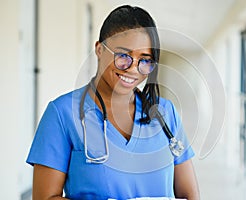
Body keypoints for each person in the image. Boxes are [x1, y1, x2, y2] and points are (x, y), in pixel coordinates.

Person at [26, 5, 200, 200]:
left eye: (145, 60)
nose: (133, 69)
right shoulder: (63, 113)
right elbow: (44, 197)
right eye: (123, 56)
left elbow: (189, 194)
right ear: (99, 49)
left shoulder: (165, 113)